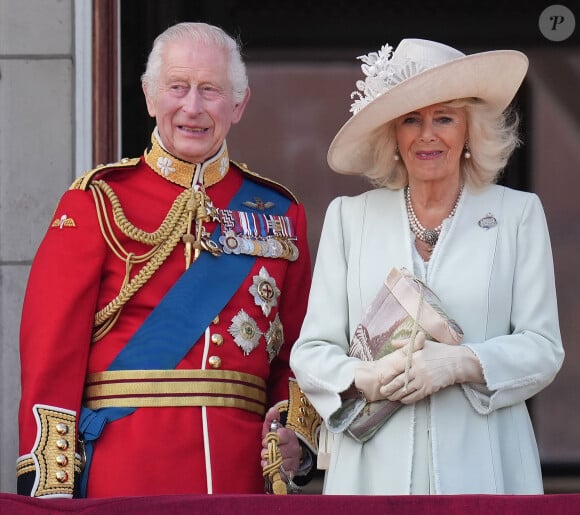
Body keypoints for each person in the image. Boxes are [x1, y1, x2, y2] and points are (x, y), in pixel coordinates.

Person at [17, 22, 319, 498]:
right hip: (121, 475)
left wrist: (295, 440)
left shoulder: (281, 212)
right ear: (149, 97)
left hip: (238, 479)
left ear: (239, 104)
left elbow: (300, 351)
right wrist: (52, 490)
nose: (192, 107)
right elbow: (51, 355)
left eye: (211, 91)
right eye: (177, 87)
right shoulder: (97, 202)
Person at [290, 38, 564, 494]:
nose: (427, 135)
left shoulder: (517, 215)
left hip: (486, 468)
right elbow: (311, 352)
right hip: (371, 474)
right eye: (411, 119)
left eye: (444, 118)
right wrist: (367, 378)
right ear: (392, 134)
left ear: (470, 129)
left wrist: (462, 363)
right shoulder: (349, 217)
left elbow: (543, 348)